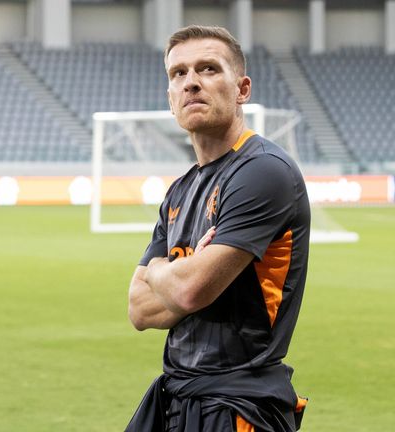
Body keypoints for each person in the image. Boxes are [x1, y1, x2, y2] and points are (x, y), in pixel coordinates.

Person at [125, 25, 309, 431]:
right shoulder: (179, 191)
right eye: (178, 74)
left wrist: (161, 272)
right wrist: (184, 276)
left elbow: (190, 290)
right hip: (177, 396)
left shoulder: (262, 171)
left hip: (238, 405)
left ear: (242, 88)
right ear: (170, 97)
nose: (191, 82)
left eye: (208, 69)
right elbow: (138, 308)